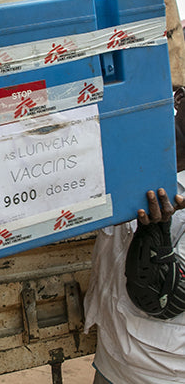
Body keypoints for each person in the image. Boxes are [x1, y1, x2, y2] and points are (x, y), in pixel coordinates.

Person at [83, 87, 185, 384]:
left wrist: (154, 236)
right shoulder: (133, 150)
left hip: (163, 370)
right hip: (113, 357)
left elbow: (167, 295)